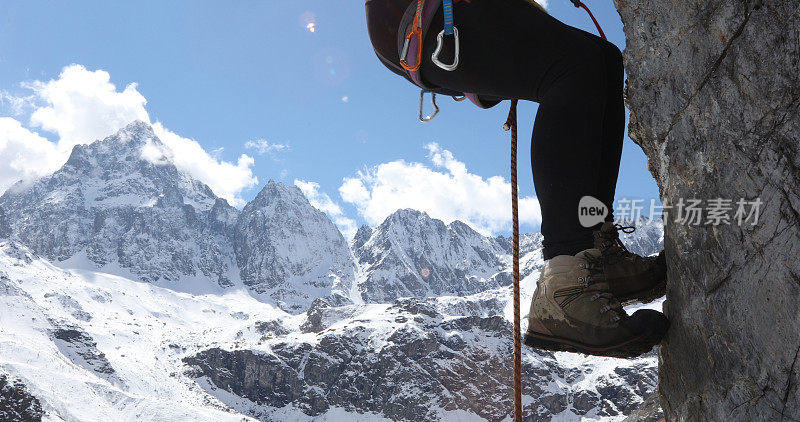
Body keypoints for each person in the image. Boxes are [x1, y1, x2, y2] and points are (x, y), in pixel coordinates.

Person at [365, 0, 668, 358]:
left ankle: (595, 249)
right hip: (426, 15)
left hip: (425, 20)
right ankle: (567, 275)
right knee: (573, 67)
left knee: (601, 61)